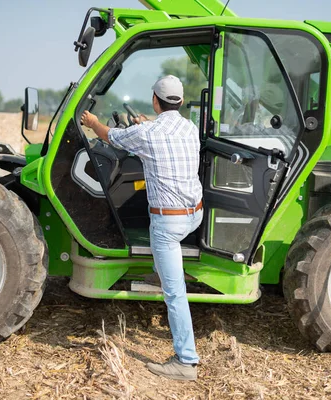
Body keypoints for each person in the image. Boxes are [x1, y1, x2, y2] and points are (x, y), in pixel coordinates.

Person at [80, 75, 203, 381]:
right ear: (181, 101)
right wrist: (145, 123)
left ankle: (186, 361)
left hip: (169, 223)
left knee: (175, 293)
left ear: (155, 100)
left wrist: (93, 122)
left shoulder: (146, 134)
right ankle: (162, 269)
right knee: (163, 237)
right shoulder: (189, 127)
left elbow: (112, 137)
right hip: (194, 216)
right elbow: (160, 132)